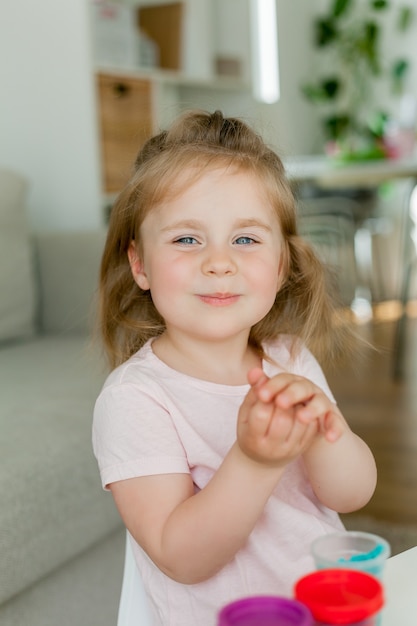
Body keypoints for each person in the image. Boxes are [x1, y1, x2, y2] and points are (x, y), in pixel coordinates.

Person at [92, 110, 377, 626]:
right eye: (186, 239)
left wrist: (318, 434)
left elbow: (351, 494)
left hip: (323, 610)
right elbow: (181, 557)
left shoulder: (290, 360)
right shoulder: (135, 399)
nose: (219, 262)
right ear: (140, 265)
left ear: (282, 264)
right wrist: (255, 461)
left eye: (245, 240)